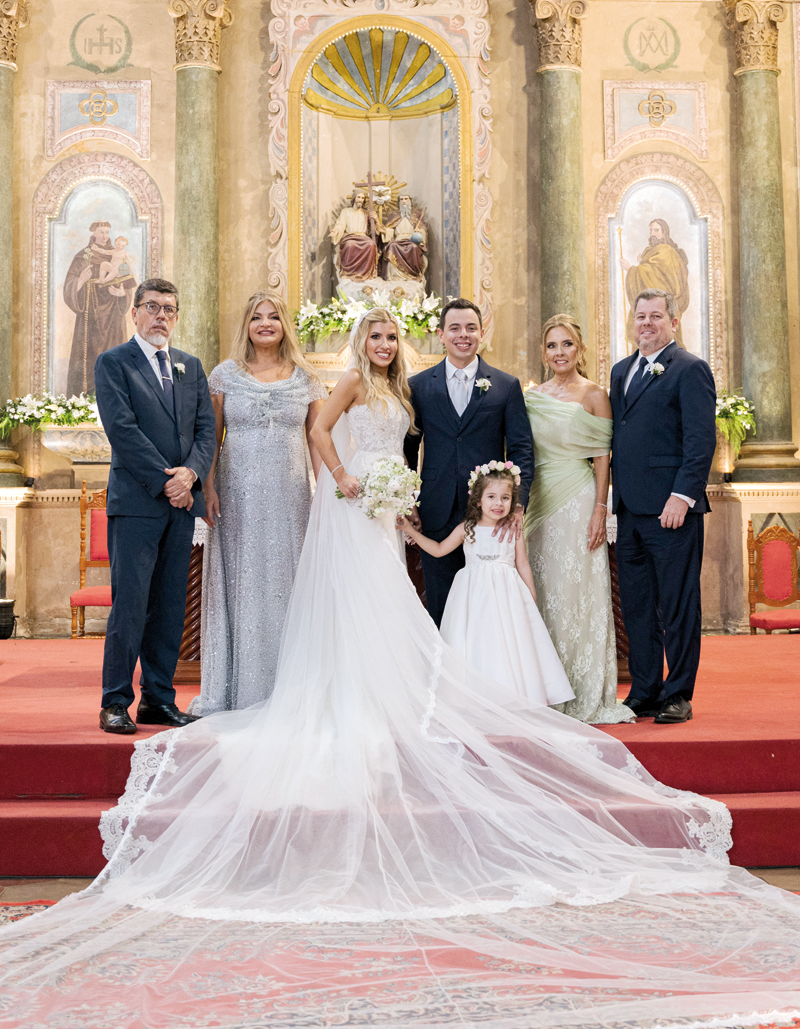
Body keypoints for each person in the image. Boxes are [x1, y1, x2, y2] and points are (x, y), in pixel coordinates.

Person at [2, 306, 800, 1029]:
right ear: (370, 340)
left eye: (392, 335)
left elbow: (440, 446)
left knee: (397, 609)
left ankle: (562, 691)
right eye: (378, 334)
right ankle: (326, 695)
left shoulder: (428, 390)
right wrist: (351, 480)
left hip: (397, 514)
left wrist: (401, 493)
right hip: (359, 509)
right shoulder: (362, 381)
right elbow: (322, 432)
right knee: (370, 608)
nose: (386, 343)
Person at [189, 292, 326, 714]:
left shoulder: (306, 378)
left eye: (273, 317)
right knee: (242, 584)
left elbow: (317, 440)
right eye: (256, 317)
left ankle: (291, 689)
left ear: (285, 325)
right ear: (246, 326)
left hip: (291, 498)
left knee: (290, 584)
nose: (265, 324)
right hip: (236, 498)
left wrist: (327, 494)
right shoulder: (224, 375)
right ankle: (237, 690)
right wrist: (208, 488)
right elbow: (211, 437)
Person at [93, 278, 217, 735]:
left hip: (181, 504)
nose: (161, 315)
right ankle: (115, 701)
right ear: (135, 313)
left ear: (177, 316)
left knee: (168, 606)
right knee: (130, 605)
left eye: (169, 308)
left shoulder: (190, 365)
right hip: (137, 503)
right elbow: (122, 430)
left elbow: (206, 430)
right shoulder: (114, 363)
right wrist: (168, 482)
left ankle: (158, 699)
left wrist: (191, 475)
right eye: (152, 307)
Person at [610, 288, 717, 725]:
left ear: (673, 321)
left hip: (672, 510)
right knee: (637, 607)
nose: (647, 324)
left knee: (677, 605)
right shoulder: (621, 371)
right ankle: (646, 690)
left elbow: (700, 439)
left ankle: (679, 694)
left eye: (656, 316)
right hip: (629, 510)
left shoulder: (689, 368)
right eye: (641, 316)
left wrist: (682, 495)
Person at [524, 314, 635, 725]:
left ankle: (583, 689)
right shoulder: (532, 397)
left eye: (567, 344)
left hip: (578, 497)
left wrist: (600, 509)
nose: (559, 352)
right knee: (543, 592)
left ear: (580, 349)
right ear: (543, 352)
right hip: (540, 500)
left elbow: (603, 456)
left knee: (576, 591)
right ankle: (545, 689)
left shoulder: (594, 394)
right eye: (552, 345)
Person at [404, 297, 534, 626]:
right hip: (437, 507)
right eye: (455, 328)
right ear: (441, 334)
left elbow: (521, 449)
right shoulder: (418, 386)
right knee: (441, 605)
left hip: (492, 513)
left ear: (481, 333)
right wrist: (409, 502)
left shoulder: (506, 386)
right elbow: (408, 449)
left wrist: (517, 504)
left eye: (471, 328)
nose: (463, 334)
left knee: (489, 609)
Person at [402, 463, 573, 707]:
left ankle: (510, 696)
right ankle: (477, 697)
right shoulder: (466, 528)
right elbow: (439, 550)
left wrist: (531, 596)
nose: (498, 503)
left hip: (507, 596)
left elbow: (522, 564)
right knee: (478, 641)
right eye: (491, 496)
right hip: (473, 598)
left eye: (505, 498)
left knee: (507, 642)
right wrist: (410, 530)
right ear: (478, 500)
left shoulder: (512, 529)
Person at [63, 219, 137, 397]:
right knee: (89, 356)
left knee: (114, 353)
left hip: (113, 315)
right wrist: (80, 280)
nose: (105, 236)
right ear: (93, 233)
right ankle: (85, 398)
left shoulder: (117, 254)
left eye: (107, 232)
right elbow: (68, 286)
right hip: (90, 316)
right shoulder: (82, 257)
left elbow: (127, 279)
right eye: (101, 232)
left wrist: (123, 294)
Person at [622, 217, 689, 349]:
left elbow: (658, 280)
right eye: (651, 230)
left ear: (664, 233)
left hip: (662, 308)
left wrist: (631, 269)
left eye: (656, 230)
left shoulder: (665, 250)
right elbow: (654, 273)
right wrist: (642, 264)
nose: (652, 233)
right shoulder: (655, 251)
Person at [330, 188, 379, 284]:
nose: (360, 200)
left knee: (371, 244)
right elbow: (340, 224)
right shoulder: (346, 211)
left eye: (362, 198)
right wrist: (335, 231)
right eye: (358, 197)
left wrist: (376, 219)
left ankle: (365, 274)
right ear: (354, 198)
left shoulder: (366, 213)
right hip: (350, 236)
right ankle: (348, 272)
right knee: (350, 245)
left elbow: (375, 229)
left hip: (363, 237)